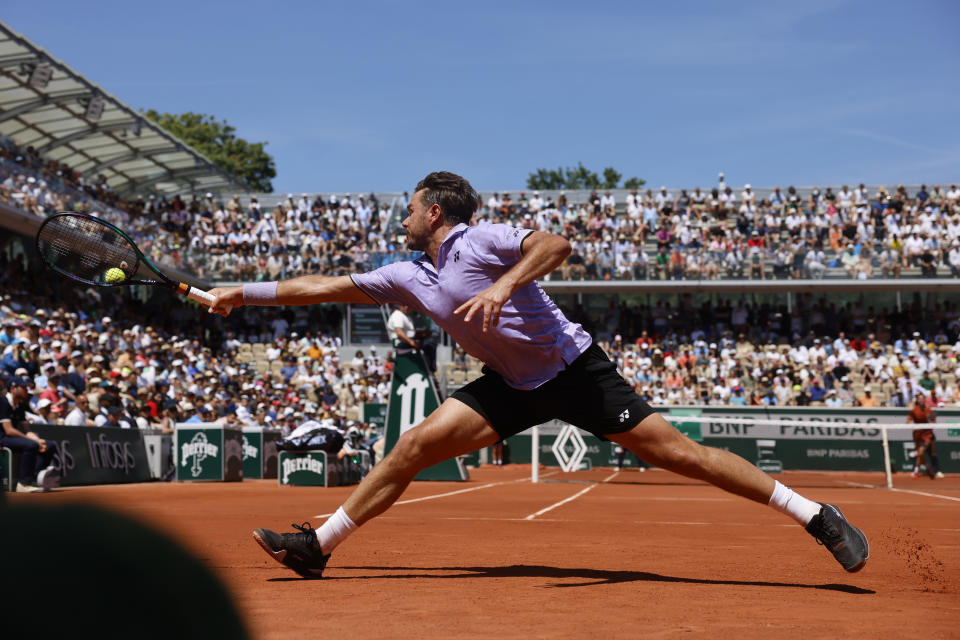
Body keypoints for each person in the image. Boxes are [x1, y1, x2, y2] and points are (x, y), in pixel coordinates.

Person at [208, 171, 869, 579]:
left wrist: (503, 289)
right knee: (411, 446)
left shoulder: (482, 238)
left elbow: (556, 245)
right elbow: (323, 287)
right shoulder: (407, 274)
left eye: (410, 209)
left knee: (682, 456)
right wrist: (243, 291)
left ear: (435, 211)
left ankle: (815, 515)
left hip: (575, 369)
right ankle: (317, 546)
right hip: (510, 385)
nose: (402, 219)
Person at [0, 376, 59, 492]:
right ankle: (23, 484)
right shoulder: (3, 402)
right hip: (3, 439)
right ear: (13, 388)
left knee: (50, 445)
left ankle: (35, 477)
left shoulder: (20, 406)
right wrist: (34, 442)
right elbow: (9, 430)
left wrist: (38, 441)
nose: (26, 390)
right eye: (23, 387)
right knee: (31, 445)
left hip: (13, 438)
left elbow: (27, 430)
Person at [907, 394, 943, 479]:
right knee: (920, 454)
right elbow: (908, 421)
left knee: (926, 453)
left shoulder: (929, 410)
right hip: (917, 436)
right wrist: (913, 426)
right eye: (919, 399)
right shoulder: (914, 411)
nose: (921, 401)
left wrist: (929, 422)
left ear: (925, 400)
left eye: (922, 399)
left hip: (928, 435)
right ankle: (924, 468)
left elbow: (934, 423)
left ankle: (934, 470)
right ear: (917, 401)